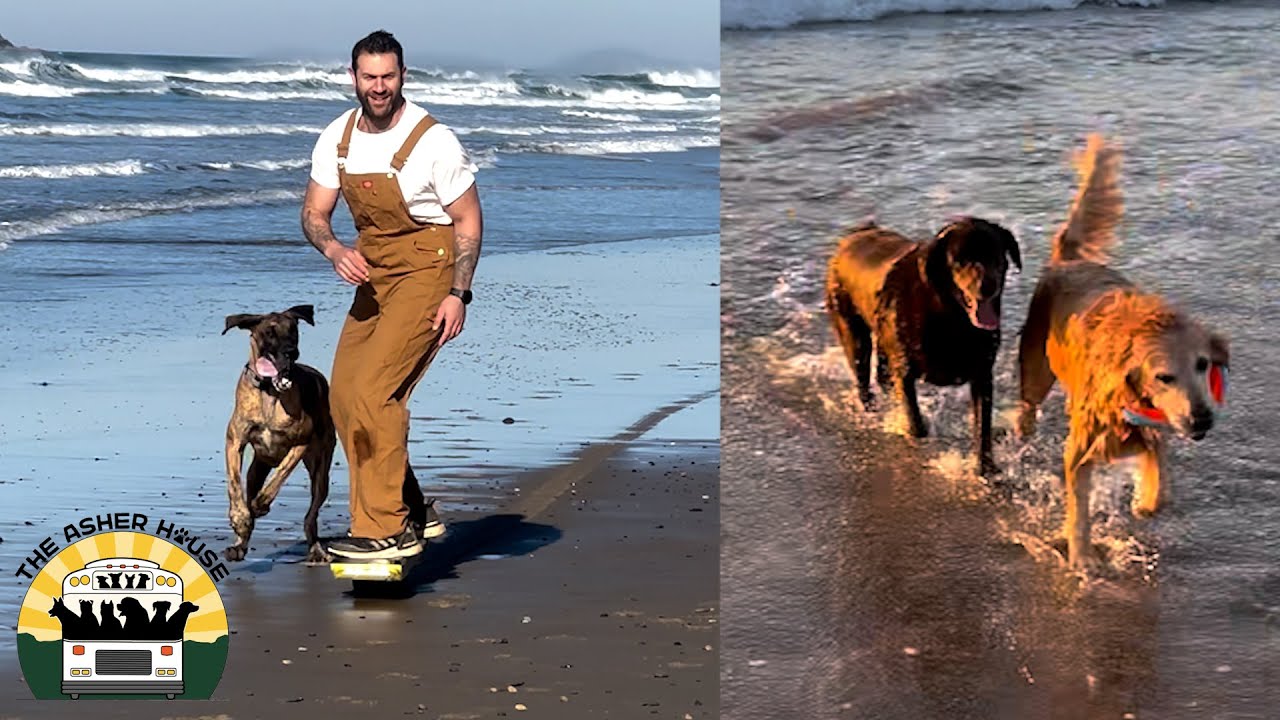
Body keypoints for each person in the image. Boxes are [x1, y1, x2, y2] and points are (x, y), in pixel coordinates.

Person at [301, 29, 483, 560]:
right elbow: (313, 212)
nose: (378, 87)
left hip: (429, 268)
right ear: (353, 77)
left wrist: (459, 294)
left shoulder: (434, 141)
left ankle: (385, 529)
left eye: (387, 76)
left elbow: (468, 221)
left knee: (376, 393)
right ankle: (414, 509)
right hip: (374, 270)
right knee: (343, 396)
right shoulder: (337, 137)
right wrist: (334, 249)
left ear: (403, 75)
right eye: (369, 76)